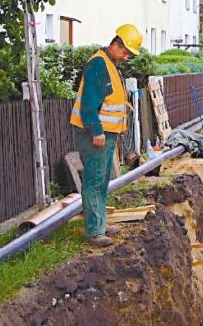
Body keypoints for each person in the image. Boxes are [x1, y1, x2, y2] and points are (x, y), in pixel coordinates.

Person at [70, 24, 143, 247]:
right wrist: (97, 131)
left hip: (106, 134)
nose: (127, 57)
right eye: (126, 51)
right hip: (95, 133)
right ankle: (94, 231)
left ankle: (100, 223)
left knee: (102, 180)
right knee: (94, 179)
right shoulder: (99, 64)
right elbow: (90, 104)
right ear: (116, 43)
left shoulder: (110, 64)